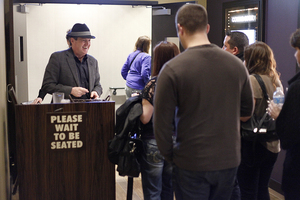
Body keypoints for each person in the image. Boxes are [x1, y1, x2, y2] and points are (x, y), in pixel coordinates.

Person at [153, 4, 254, 200]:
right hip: (229, 160)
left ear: (180, 28)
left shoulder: (171, 69)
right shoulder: (237, 65)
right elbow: (247, 112)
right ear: (207, 28)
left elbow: (161, 125)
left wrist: (172, 156)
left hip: (190, 161)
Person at [237, 42, 282, 200]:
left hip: (254, 144)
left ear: (251, 60)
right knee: (263, 188)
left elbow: (246, 115)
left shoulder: (252, 80)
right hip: (272, 142)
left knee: (247, 190)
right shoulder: (275, 80)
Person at [139, 41, 179, 200]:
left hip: (154, 141)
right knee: (169, 190)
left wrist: (140, 102)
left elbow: (145, 118)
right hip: (176, 141)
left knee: (153, 191)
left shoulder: (154, 84)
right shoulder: (181, 82)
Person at [268, 29, 300, 200]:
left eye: (297, 50)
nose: (296, 55)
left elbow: (290, 136)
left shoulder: (297, 87)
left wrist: (279, 116)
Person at [36, 23, 102, 103]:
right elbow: (47, 85)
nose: (87, 44)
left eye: (89, 40)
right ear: (72, 41)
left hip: (89, 110)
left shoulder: (93, 62)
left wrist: (96, 92)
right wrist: (70, 90)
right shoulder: (57, 58)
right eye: (84, 40)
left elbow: (97, 85)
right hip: (65, 111)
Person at [222, 30, 249, 200]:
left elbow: (245, 112)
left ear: (235, 50)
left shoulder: (233, 72)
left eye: (225, 45)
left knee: (233, 184)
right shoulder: (245, 70)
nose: (221, 49)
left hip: (234, 138)